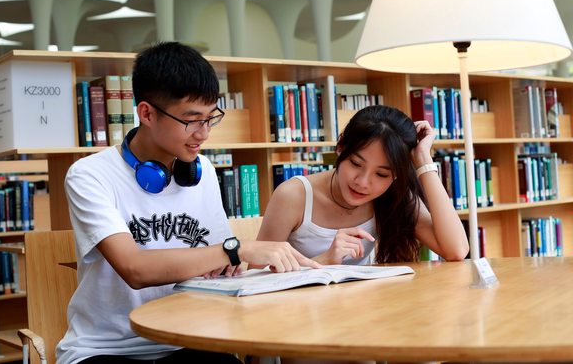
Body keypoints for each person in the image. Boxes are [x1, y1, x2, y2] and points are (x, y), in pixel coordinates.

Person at [56, 42, 319, 364]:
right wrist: (237, 249)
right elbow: (134, 269)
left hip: (188, 339)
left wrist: (239, 261)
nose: (204, 134)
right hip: (107, 348)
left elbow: (223, 264)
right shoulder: (89, 175)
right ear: (146, 113)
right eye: (192, 120)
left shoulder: (202, 170)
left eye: (210, 118)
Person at [257, 104, 470, 267]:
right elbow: (254, 277)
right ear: (341, 147)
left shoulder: (393, 196)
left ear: (396, 175)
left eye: (381, 174)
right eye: (356, 164)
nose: (362, 182)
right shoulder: (294, 196)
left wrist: (423, 160)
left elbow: (456, 250)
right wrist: (324, 260)